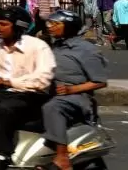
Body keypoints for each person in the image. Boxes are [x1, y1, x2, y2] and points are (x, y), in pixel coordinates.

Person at [0, 5, 55, 170]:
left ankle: (0, 156)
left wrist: (10, 82)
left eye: (3, 24)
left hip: (32, 95)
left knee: (5, 108)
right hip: (4, 92)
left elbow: (44, 80)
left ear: (18, 27)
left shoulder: (37, 46)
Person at [43, 9, 108, 170]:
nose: (50, 26)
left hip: (78, 97)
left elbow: (99, 81)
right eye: (49, 23)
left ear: (69, 27)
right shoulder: (55, 46)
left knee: (52, 107)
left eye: (55, 24)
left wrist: (72, 90)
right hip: (55, 93)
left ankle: (62, 157)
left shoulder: (86, 49)